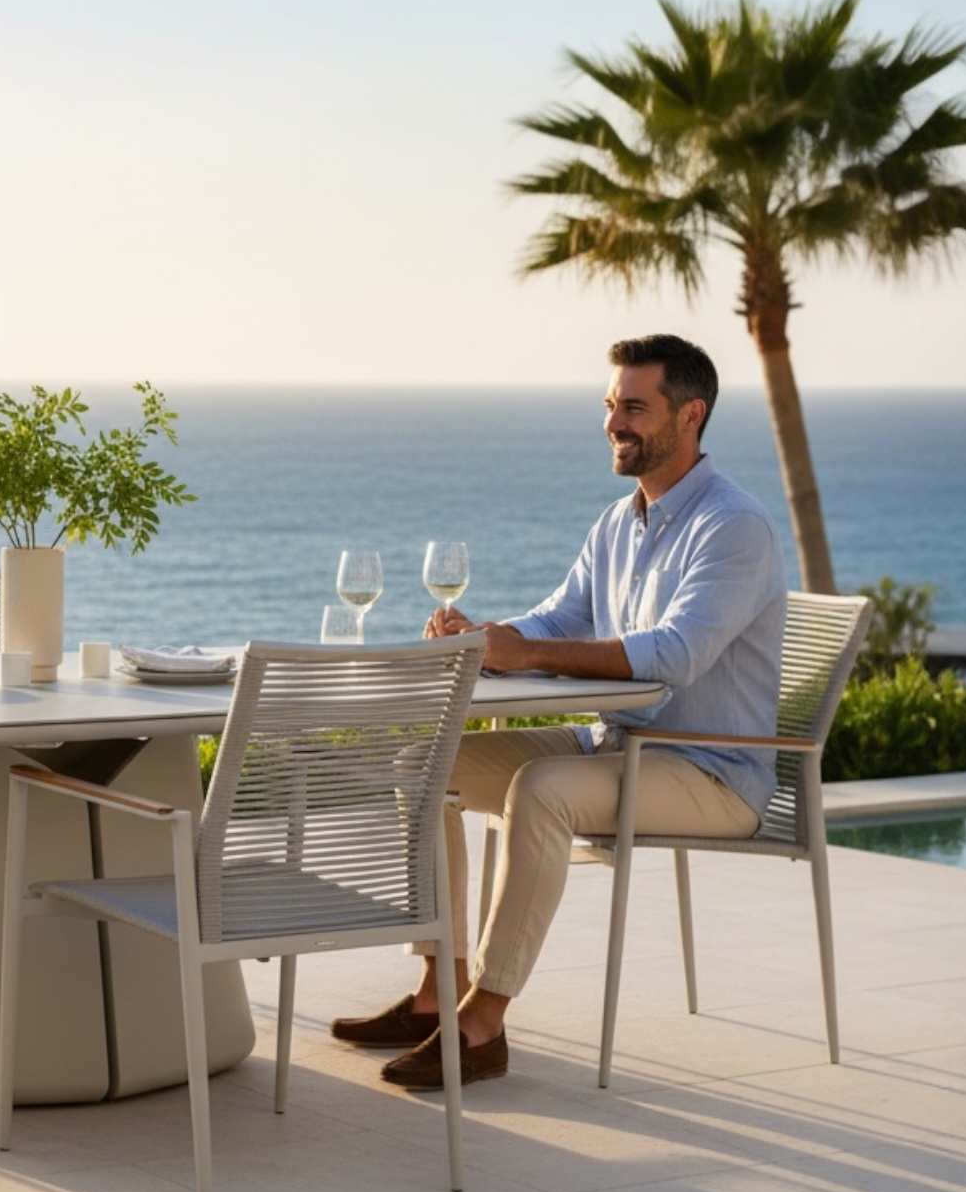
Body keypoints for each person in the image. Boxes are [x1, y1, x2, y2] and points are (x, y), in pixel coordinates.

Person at [334, 333, 786, 1088]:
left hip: (713, 772)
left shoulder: (732, 527)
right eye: (611, 406)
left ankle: (482, 1026)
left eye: (634, 408)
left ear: (690, 416)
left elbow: (674, 654)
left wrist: (528, 654)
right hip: (619, 746)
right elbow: (560, 618)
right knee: (424, 766)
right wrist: (490, 636)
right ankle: (436, 992)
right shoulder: (620, 521)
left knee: (541, 792)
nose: (614, 423)